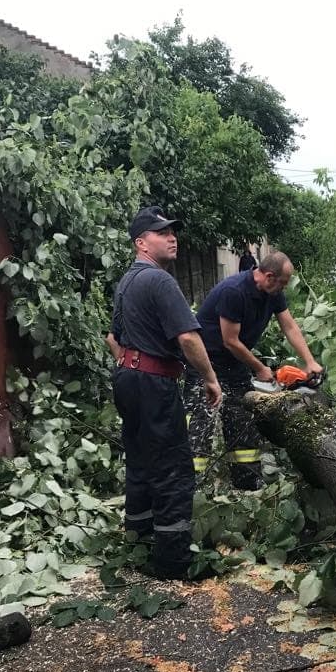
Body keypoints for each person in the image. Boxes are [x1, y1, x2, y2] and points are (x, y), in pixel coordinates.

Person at [106, 205, 222, 580]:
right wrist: (209, 378)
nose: (172, 237)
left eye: (173, 231)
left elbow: (113, 338)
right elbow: (187, 337)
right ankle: (173, 562)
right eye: (162, 232)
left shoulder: (127, 281)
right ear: (141, 242)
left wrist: (131, 364)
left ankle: (139, 540)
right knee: (173, 468)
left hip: (128, 378)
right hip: (153, 383)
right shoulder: (159, 281)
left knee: (141, 460)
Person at [185, 252, 322, 490]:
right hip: (206, 365)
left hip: (235, 365)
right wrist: (259, 368)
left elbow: (288, 325)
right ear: (269, 277)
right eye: (283, 283)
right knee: (200, 427)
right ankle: (191, 489)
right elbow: (230, 340)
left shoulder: (273, 294)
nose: (284, 288)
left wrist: (309, 362)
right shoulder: (234, 291)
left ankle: (247, 488)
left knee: (243, 426)